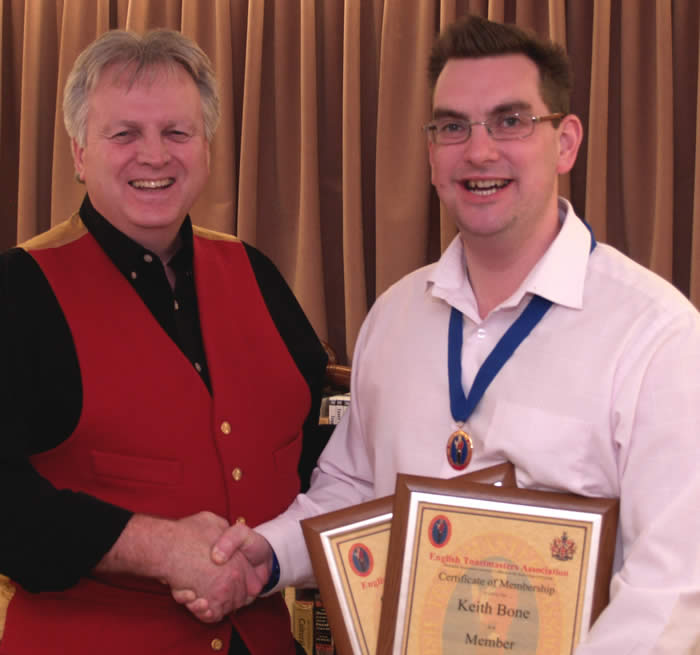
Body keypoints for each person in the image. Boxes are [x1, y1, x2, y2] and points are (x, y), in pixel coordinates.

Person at [196, 14, 700, 653]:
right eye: (452, 126)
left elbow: (676, 587)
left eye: (512, 120)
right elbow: (350, 489)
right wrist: (265, 555)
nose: (480, 150)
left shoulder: (657, 335)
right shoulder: (396, 315)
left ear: (566, 142)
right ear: (432, 152)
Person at [0, 28, 327, 655]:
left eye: (177, 132)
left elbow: (319, 451)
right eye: (123, 134)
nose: (154, 156)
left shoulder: (256, 272)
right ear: (78, 152)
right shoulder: (16, 288)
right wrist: (153, 546)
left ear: (205, 148)